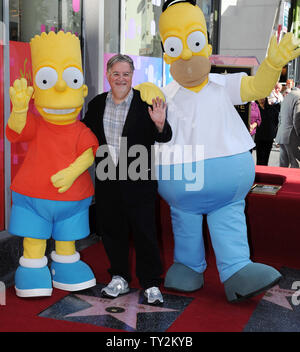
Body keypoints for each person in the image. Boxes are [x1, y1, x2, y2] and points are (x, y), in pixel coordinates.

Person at [154, 0, 300, 302]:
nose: (187, 55)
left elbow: (258, 88)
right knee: (185, 221)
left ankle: (236, 270)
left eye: (194, 43)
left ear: (206, 47)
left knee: (227, 218)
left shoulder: (223, 84)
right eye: (175, 46)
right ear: (166, 52)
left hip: (226, 181)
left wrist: (272, 65)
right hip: (181, 181)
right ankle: (188, 266)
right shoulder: (164, 95)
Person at [82, 54, 172, 304]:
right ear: (108, 76)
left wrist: (160, 124)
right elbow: (85, 133)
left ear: (133, 77)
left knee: (145, 232)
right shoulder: (97, 104)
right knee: (112, 231)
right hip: (107, 179)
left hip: (139, 181)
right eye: (116, 74)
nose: (121, 78)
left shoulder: (145, 104)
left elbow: (164, 136)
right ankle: (119, 277)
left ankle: (151, 283)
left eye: (126, 74)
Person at [275, 88, 300, 168]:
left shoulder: (287, 96)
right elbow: (297, 120)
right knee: (295, 164)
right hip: (292, 136)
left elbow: (280, 117)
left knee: (283, 165)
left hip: (282, 134)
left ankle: (280, 180)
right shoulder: (298, 97)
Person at [254, 98, 279, 165]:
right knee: (259, 157)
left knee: (266, 157)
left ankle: (265, 172)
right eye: (259, 97)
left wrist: (273, 130)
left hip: (269, 136)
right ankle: (259, 173)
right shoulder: (255, 109)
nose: (261, 99)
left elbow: (276, 121)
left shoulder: (272, 109)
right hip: (259, 136)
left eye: (263, 97)